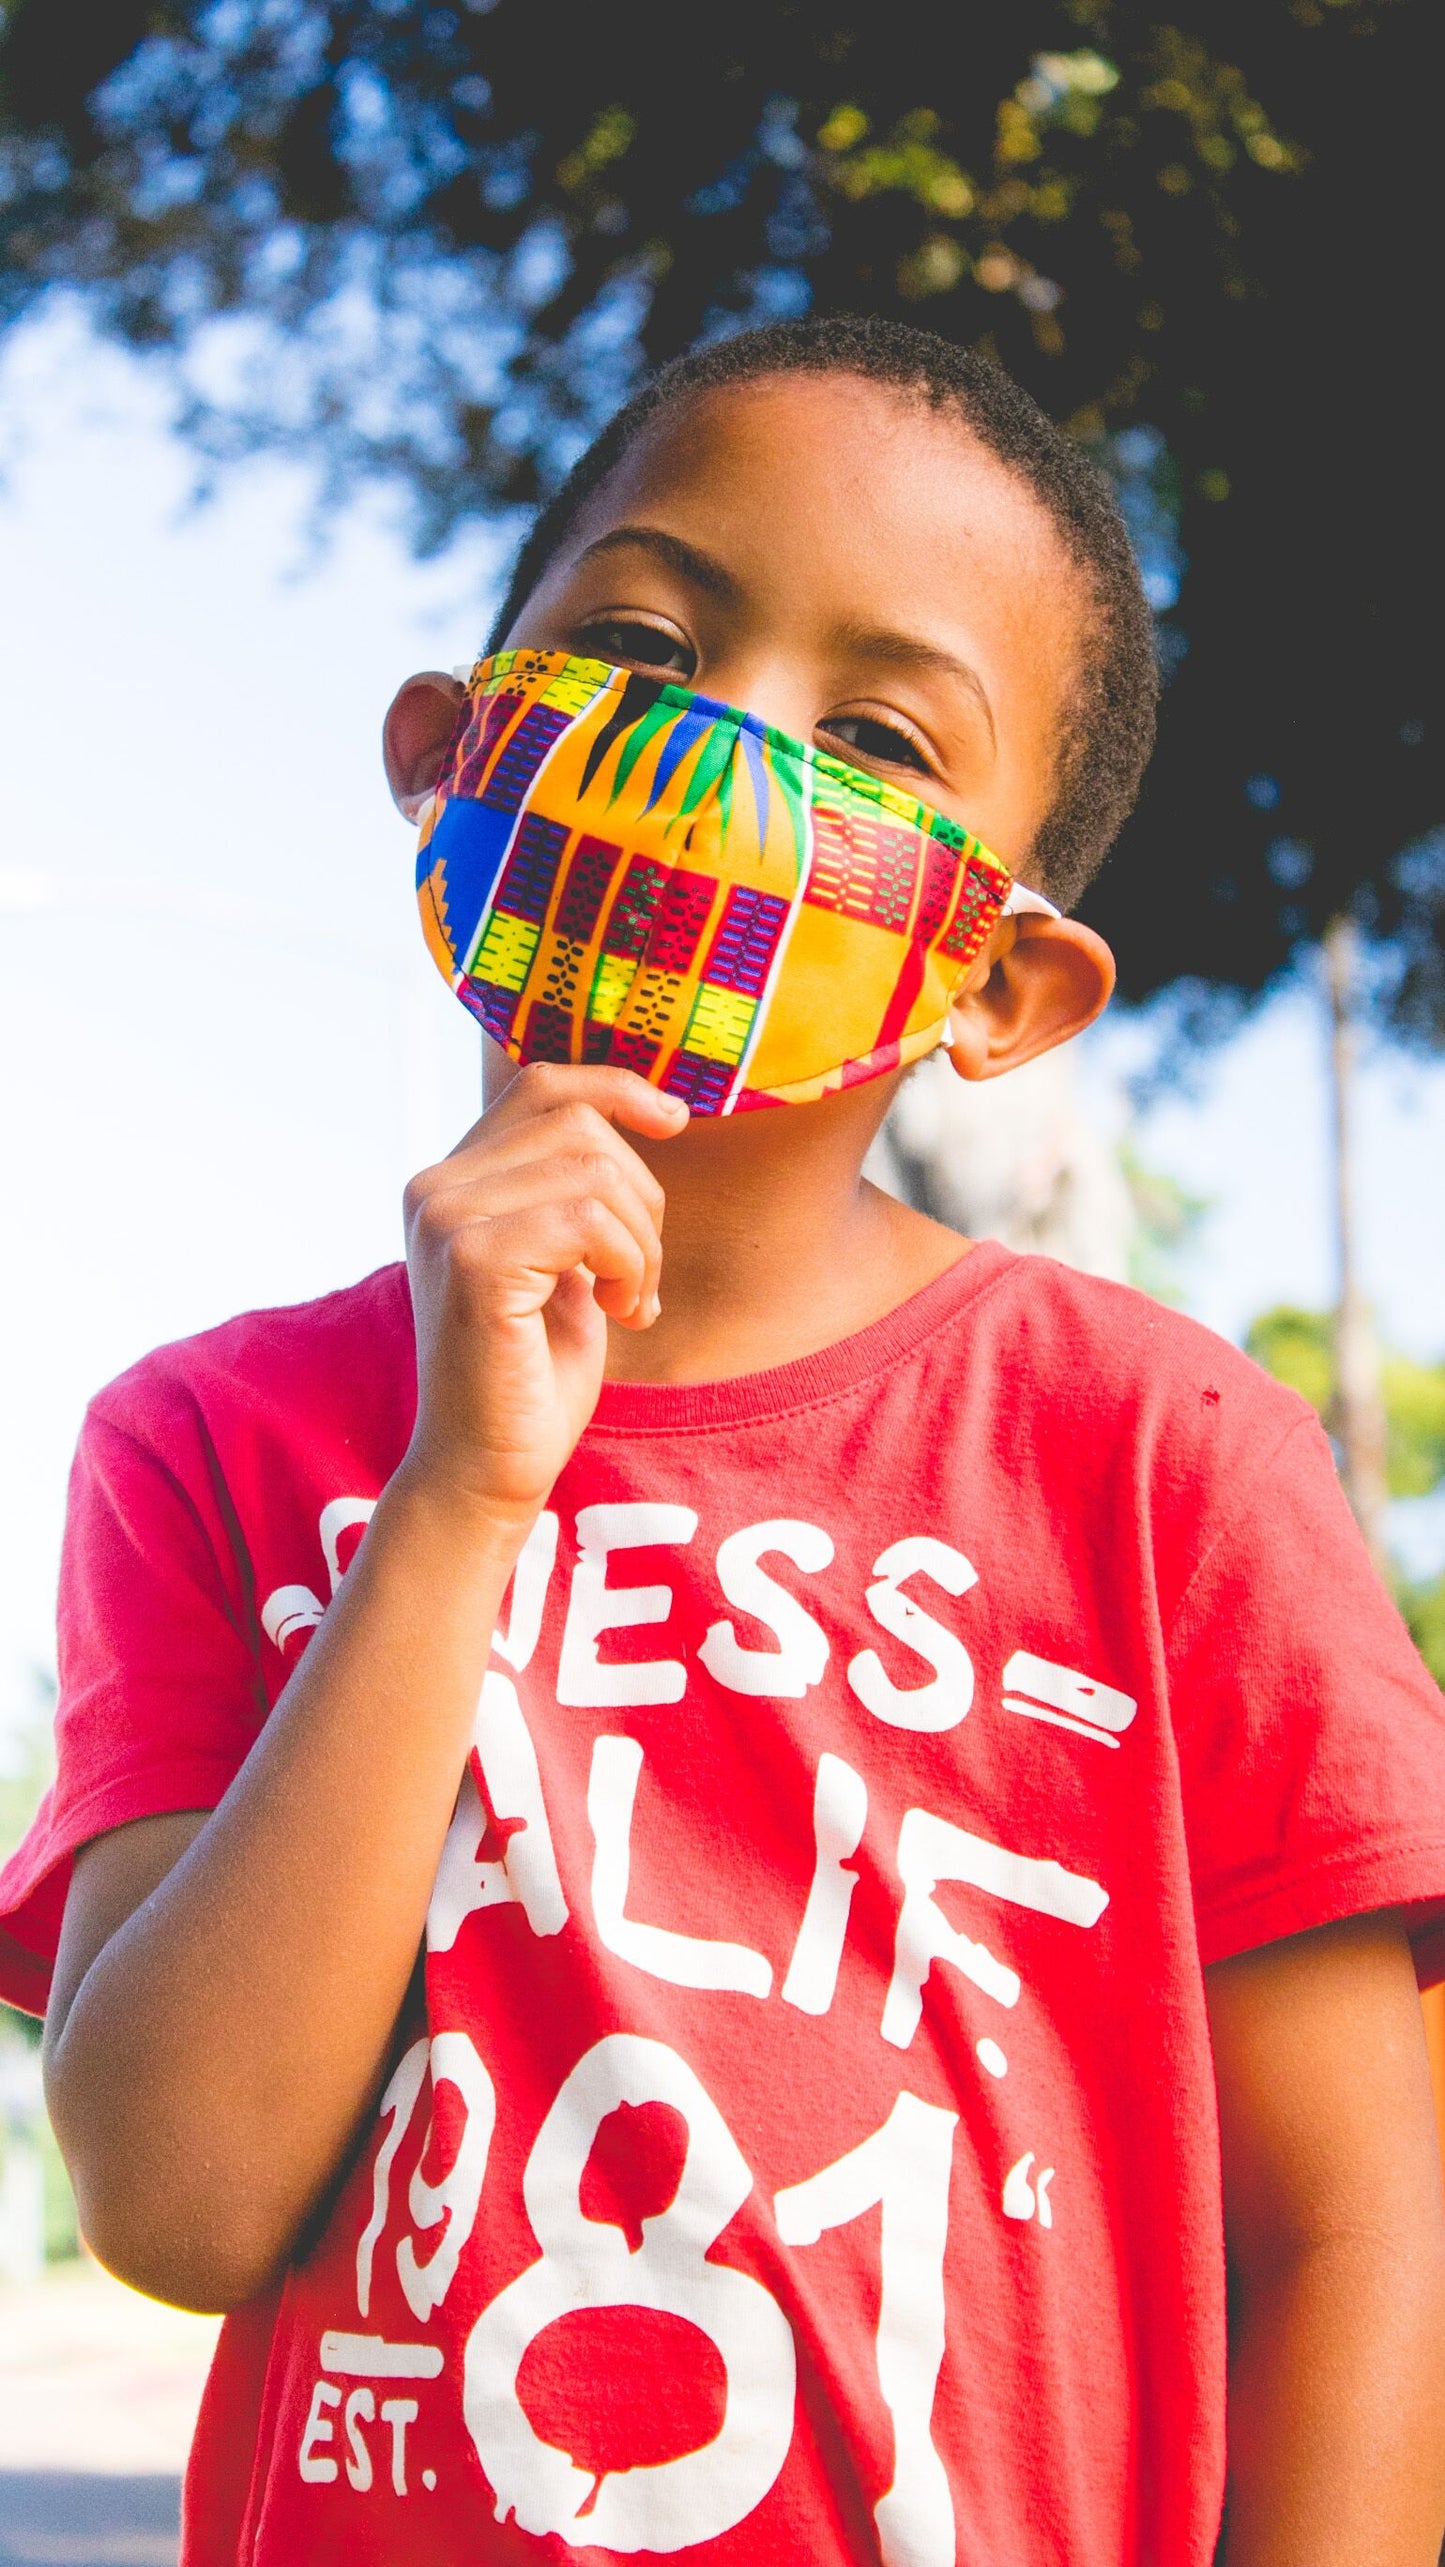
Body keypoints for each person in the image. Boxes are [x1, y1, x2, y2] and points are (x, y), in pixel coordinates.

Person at [2, 315, 1444, 2567]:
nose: (722, 756)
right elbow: (178, 2200)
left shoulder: (1162, 1459)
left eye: (875, 736)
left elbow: (1358, 2239)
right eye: (644, 647)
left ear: (998, 988)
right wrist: (459, 1496)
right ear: (451, 753)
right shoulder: (209, 1442)